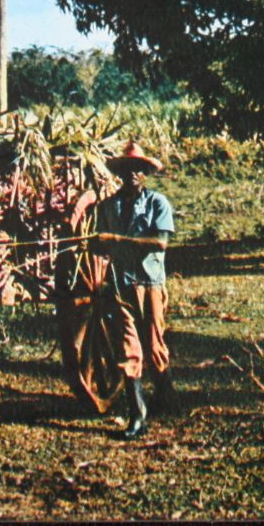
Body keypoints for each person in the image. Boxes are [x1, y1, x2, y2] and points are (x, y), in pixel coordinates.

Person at [91, 140, 177, 440]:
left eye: (137, 170)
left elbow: (159, 243)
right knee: (129, 349)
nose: (131, 175)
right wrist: (98, 244)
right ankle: (137, 414)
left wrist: (115, 241)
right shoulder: (107, 207)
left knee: (154, 347)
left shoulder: (157, 204)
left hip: (151, 283)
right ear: (119, 173)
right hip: (120, 285)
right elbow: (96, 246)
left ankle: (166, 395)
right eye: (126, 170)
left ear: (145, 173)